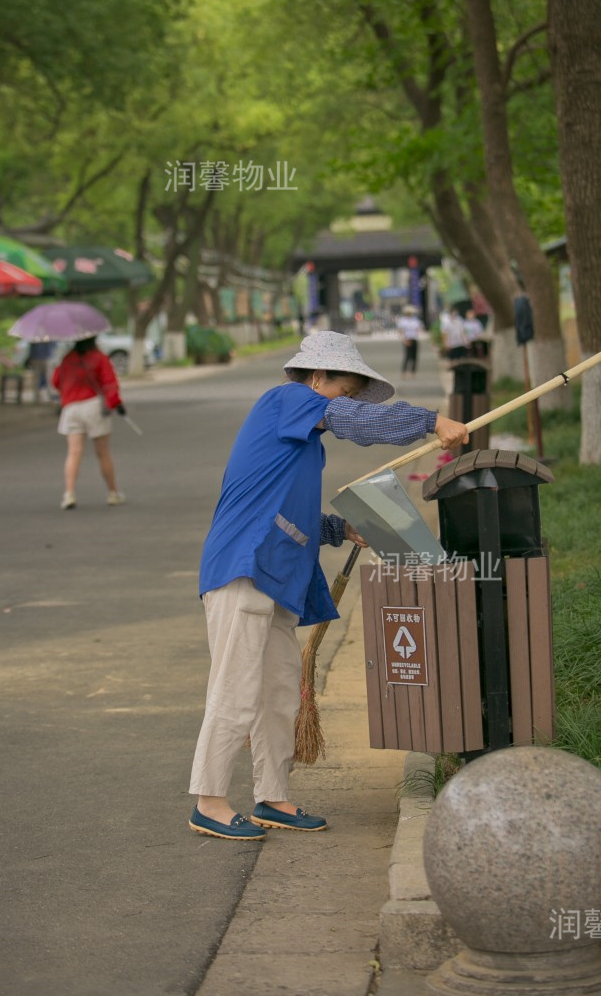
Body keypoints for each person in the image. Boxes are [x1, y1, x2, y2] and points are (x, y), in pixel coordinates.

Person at [188, 331, 469, 841]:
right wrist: (431, 420)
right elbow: (355, 422)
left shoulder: (303, 440)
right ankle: (208, 801)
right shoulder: (289, 398)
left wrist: (341, 529)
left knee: (278, 694)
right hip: (242, 567)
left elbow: (287, 512)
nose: (349, 400)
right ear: (318, 376)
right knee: (236, 689)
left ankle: (272, 797)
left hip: (275, 575)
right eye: (345, 387)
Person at [51, 336, 127, 510]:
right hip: (93, 406)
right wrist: (116, 403)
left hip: (70, 408)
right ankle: (113, 493)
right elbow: (109, 383)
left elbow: (56, 382)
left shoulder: (67, 359)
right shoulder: (99, 357)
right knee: (103, 453)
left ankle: (69, 493)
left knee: (73, 452)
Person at [395, 304, 422, 374]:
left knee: (414, 356)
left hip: (414, 339)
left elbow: (418, 329)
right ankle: (404, 371)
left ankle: (413, 372)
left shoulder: (415, 320)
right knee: (407, 356)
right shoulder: (403, 321)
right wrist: (404, 339)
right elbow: (401, 331)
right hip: (407, 339)